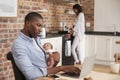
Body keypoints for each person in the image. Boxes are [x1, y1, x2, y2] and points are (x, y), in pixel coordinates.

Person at [11, 12, 80, 80]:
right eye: (38, 25)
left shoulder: (35, 38)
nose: (41, 30)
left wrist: (52, 58)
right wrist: (60, 68)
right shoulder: (19, 45)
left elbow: (37, 62)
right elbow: (31, 74)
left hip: (46, 77)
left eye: (42, 26)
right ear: (28, 24)